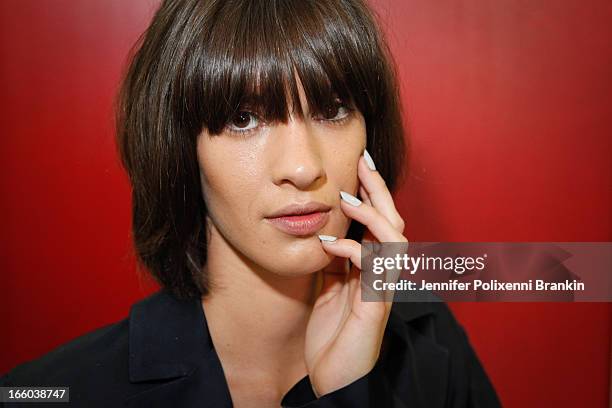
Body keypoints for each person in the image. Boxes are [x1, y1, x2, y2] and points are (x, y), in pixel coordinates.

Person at [1, 0, 501, 406]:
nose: (303, 167)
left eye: (332, 110)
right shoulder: (57, 391)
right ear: (180, 150)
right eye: (244, 118)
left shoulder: (430, 341)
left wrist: (350, 393)